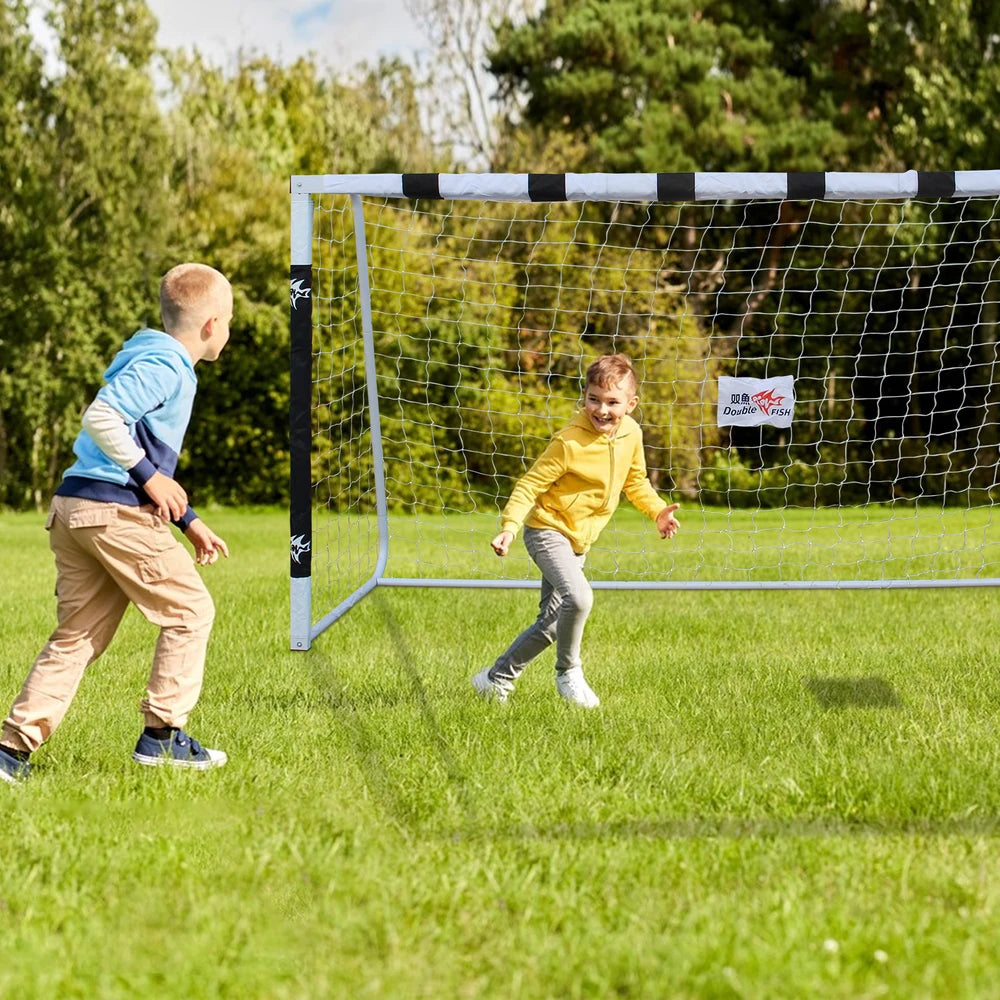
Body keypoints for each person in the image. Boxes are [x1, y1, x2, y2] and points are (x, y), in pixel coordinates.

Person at [0, 263, 234, 784]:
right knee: (190, 611)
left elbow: (136, 457)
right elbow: (102, 417)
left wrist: (188, 520)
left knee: (78, 636)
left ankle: (9, 751)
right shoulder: (168, 365)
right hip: (113, 513)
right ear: (212, 324)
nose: (229, 331)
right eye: (231, 321)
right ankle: (163, 736)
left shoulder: (149, 355)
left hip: (76, 507)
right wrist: (150, 478)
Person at [472, 353, 680, 708]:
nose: (601, 410)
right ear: (584, 396)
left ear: (631, 404)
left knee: (553, 624)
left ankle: (495, 680)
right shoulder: (568, 441)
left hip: (579, 541)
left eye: (612, 402)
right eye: (593, 399)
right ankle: (568, 672)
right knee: (580, 598)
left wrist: (657, 511)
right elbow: (529, 485)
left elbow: (635, 481)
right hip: (547, 530)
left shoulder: (631, 433)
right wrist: (509, 527)